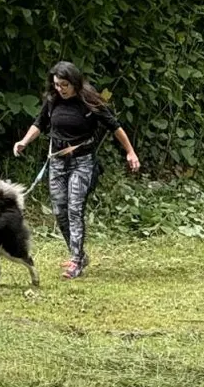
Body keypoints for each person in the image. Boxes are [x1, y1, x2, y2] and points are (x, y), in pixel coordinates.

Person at [13, 61, 139, 279]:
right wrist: (24, 141)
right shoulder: (52, 100)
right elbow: (39, 123)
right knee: (59, 210)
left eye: (65, 85)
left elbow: (115, 126)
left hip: (82, 162)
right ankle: (78, 253)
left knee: (74, 208)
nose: (60, 89)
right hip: (57, 163)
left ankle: (76, 260)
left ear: (75, 83)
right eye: (57, 84)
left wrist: (130, 152)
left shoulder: (90, 101)